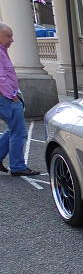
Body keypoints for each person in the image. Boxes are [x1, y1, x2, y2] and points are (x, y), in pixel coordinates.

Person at [0, 22, 39, 176]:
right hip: (6, 98)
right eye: (8, 36)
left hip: (6, 97)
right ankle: (18, 167)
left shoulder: (2, 50)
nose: (12, 39)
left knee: (14, 129)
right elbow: (1, 78)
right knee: (19, 132)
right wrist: (12, 96)